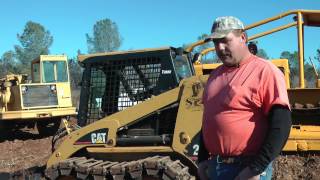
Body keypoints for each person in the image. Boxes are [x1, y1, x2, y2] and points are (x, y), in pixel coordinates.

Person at [197, 16, 292, 180]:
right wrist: (202, 160)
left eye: (225, 40)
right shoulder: (214, 76)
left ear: (243, 38)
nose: (219, 47)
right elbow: (209, 120)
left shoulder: (265, 71)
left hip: (246, 168)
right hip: (215, 167)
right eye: (215, 43)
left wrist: (255, 169)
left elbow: (281, 125)